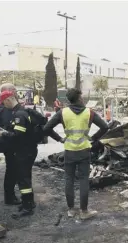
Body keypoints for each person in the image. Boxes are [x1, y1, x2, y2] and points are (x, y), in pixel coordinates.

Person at [43, 88, 109, 220]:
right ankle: (84, 211)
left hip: (69, 150)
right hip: (84, 150)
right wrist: (93, 138)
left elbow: (46, 128)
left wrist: (60, 139)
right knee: (84, 179)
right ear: (79, 98)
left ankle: (71, 210)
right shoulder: (89, 113)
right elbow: (105, 127)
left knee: (69, 179)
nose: (82, 98)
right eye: (81, 96)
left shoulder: (63, 113)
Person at [0, 91, 39, 217]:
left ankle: (27, 207)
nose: (3, 106)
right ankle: (27, 202)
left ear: (9, 100)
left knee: (23, 179)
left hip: (24, 151)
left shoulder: (19, 114)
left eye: (3, 103)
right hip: (27, 150)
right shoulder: (21, 111)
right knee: (25, 177)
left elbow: (18, 136)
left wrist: (3, 134)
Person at [0, 83, 21, 206]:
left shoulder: (0, 107)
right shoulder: (5, 109)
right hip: (10, 145)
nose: (16, 91)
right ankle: (10, 198)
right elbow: (11, 127)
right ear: (7, 92)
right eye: (13, 89)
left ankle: (10, 196)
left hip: (8, 144)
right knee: (12, 171)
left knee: (12, 170)